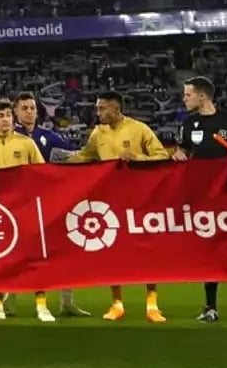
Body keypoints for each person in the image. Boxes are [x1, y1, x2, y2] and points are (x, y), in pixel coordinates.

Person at [69, 90, 170, 323]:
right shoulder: (98, 133)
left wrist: (137, 158)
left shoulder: (139, 129)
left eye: (102, 108)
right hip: (110, 200)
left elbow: (161, 155)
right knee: (113, 253)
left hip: (140, 199)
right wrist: (55, 166)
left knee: (146, 252)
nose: (98, 112)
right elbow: (86, 156)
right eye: (97, 108)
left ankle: (152, 305)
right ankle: (117, 304)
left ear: (116, 108)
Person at [172, 76, 227, 325]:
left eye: (188, 94)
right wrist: (178, 155)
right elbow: (183, 152)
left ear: (202, 96)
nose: (184, 98)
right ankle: (210, 307)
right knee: (209, 251)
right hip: (204, 197)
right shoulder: (189, 123)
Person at [0, 99, 55, 324]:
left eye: (7, 115)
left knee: (33, 257)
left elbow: (42, 172)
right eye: (0, 116)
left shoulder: (26, 143)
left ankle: (42, 306)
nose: (5, 119)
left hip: (24, 207)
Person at [12, 92, 88, 318]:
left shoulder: (48, 136)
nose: (29, 112)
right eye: (24, 108)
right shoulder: (8, 137)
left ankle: (67, 302)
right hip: (19, 203)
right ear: (16, 111)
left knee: (61, 250)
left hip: (48, 203)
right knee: (17, 253)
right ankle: (7, 300)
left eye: (32, 108)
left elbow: (74, 156)